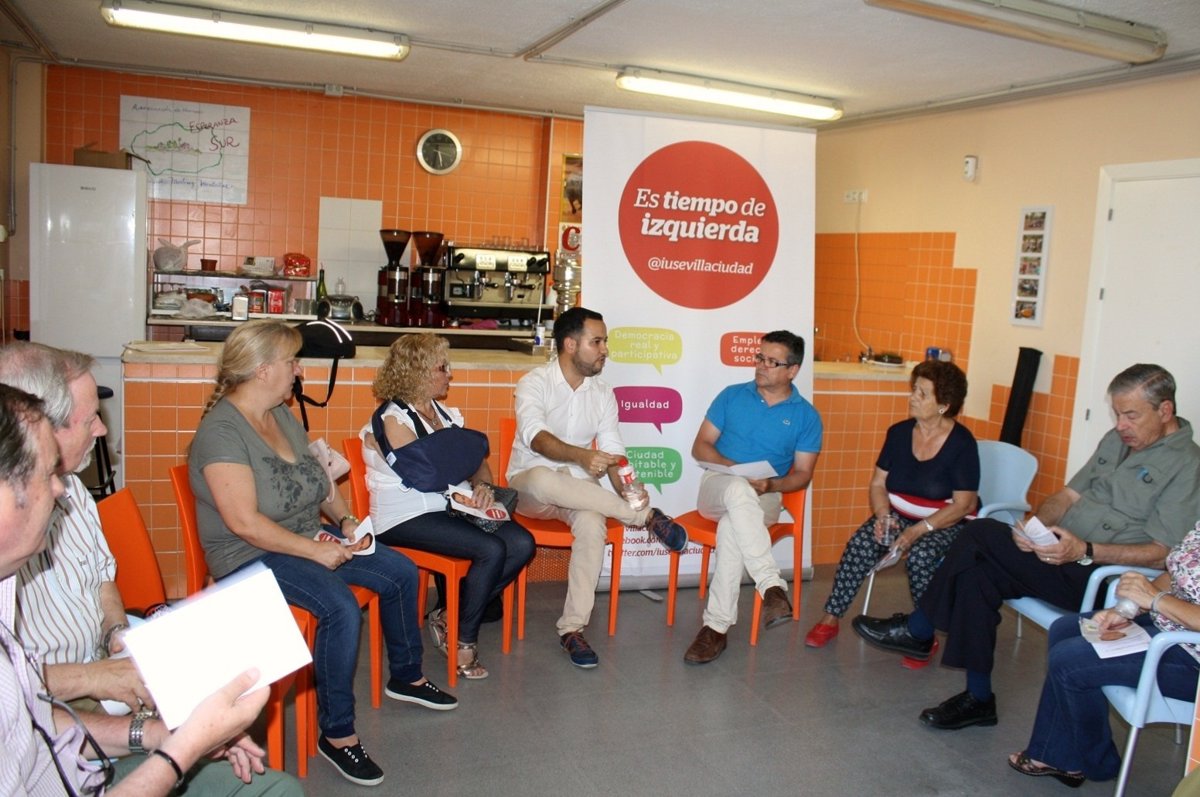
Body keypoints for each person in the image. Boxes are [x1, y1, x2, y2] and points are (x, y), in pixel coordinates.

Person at [0, 341, 302, 795]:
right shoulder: (17, 550)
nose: (103, 429)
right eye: (89, 418)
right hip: (77, 699)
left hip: (97, 675)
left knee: (238, 662)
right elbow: (32, 698)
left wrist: (117, 633)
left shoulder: (73, 495)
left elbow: (102, 576)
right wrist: (178, 744)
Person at [854, 363, 1200, 731]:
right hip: (1059, 553)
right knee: (977, 572)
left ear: (1165, 410)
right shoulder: (1118, 440)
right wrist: (1036, 526)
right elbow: (1066, 496)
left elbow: (1162, 553)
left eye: (1131, 415)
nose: (1120, 425)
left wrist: (1085, 550)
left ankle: (920, 628)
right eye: (1117, 414)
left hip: (1101, 577)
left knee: (979, 532)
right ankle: (978, 697)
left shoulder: (1187, 465)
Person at [189, 320, 456, 787]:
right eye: (292, 362)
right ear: (262, 370)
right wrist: (314, 551)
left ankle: (407, 677)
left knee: (400, 571)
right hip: (246, 556)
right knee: (339, 607)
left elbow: (319, 480)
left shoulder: (281, 414)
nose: (299, 371)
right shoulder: (221, 433)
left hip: (303, 537)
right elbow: (244, 523)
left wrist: (347, 521)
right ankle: (336, 734)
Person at [507, 306, 688, 668]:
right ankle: (646, 519)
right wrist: (580, 456)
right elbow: (536, 438)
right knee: (544, 478)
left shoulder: (603, 394)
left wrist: (630, 490)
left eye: (605, 342)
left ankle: (572, 629)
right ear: (570, 344)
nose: (605, 350)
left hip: (578, 492)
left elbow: (614, 454)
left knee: (592, 524)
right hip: (530, 488)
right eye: (597, 342)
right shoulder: (534, 383)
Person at [361, 333, 534, 680]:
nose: (449, 374)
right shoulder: (392, 420)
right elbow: (429, 475)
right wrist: (466, 467)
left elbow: (476, 463)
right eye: (442, 367)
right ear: (418, 371)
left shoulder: (443, 413)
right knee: (490, 549)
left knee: (521, 543)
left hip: (450, 507)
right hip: (404, 516)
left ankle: (448, 614)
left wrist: (482, 487)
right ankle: (463, 639)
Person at [1009, 524, 1200, 788]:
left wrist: (1155, 600)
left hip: (1191, 659)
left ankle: (1098, 763)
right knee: (1066, 629)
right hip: (1171, 626)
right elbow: (1178, 572)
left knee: (1069, 662)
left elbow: (1161, 597)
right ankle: (1059, 756)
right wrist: (1127, 609)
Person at [805, 360, 978, 650]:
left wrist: (919, 530)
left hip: (946, 522)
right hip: (899, 515)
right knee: (861, 544)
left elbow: (964, 504)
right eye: (914, 390)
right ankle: (830, 618)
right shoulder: (898, 433)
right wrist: (883, 516)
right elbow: (877, 484)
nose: (912, 397)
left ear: (943, 405)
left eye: (922, 394)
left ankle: (922, 633)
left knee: (922, 555)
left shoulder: (962, 443)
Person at [684, 330, 823, 664]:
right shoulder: (732, 396)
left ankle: (715, 629)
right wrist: (736, 470)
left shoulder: (806, 416)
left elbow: (803, 474)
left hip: (766, 495)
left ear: (792, 370)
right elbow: (700, 446)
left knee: (732, 528)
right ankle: (771, 585)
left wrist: (771, 485)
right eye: (759, 357)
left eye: (772, 362)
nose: (761, 365)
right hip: (718, 484)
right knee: (736, 489)